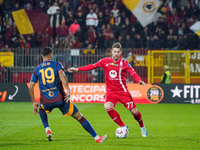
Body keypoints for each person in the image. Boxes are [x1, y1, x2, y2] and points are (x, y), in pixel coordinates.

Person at [68, 42, 148, 137]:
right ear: (112, 51)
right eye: (114, 51)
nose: (116, 53)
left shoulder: (124, 63)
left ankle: (142, 127)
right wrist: (77, 69)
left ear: (121, 52)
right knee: (107, 106)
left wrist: (139, 80)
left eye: (118, 52)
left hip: (123, 92)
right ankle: (123, 126)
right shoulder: (105, 61)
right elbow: (92, 66)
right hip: (111, 92)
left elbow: (133, 73)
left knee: (134, 112)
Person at [29, 47, 107, 143]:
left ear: (42, 56)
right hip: (60, 99)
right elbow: (62, 76)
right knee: (79, 117)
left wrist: (33, 102)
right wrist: (68, 89)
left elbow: (31, 86)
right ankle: (97, 138)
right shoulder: (57, 64)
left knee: (41, 107)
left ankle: (47, 129)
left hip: (46, 101)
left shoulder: (37, 70)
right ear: (51, 55)